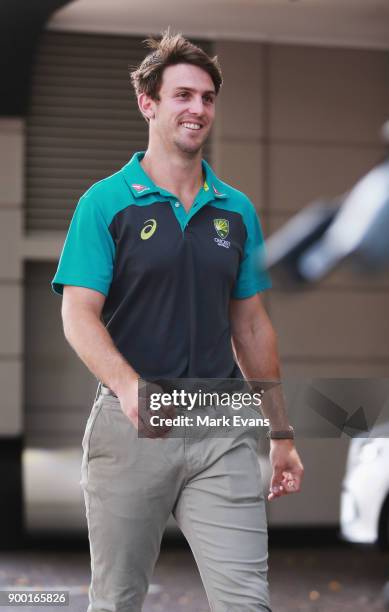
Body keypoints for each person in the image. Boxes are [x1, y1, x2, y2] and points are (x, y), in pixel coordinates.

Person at [51, 31, 304, 612]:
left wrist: (282, 433)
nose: (197, 109)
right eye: (183, 95)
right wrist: (128, 385)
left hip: (221, 422)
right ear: (149, 103)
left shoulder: (235, 210)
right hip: (132, 422)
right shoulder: (105, 203)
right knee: (117, 600)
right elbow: (77, 314)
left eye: (208, 97)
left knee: (247, 603)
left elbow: (252, 327)